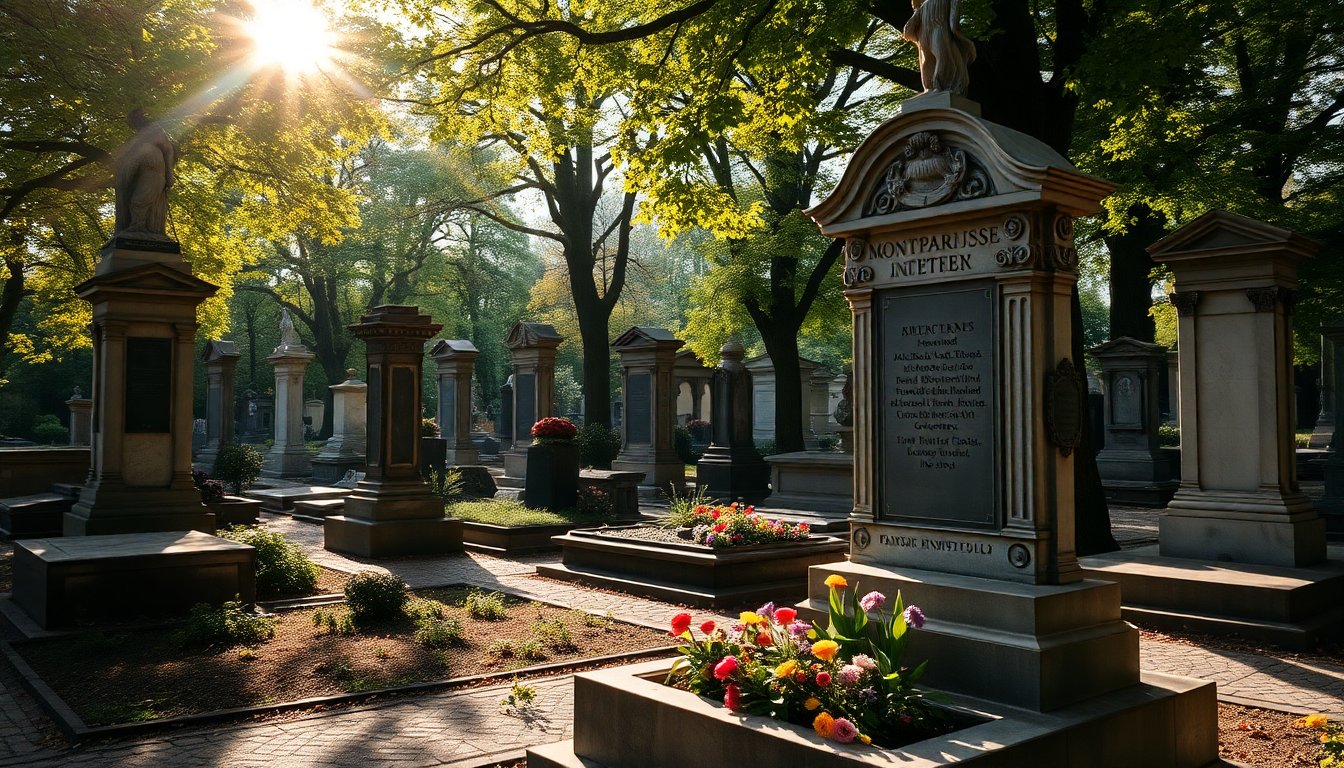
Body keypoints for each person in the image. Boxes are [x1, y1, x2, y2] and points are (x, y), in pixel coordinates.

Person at [113, 108, 177, 236]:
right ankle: (137, 227)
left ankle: (138, 228)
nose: (135, 124)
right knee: (134, 201)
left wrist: (169, 173)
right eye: (133, 122)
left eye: (136, 120)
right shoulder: (138, 138)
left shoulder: (155, 131)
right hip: (140, 173)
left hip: (154, 172)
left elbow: (169, 150)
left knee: (139, 201)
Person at [902, 0, 977, 96]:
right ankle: (929, 88)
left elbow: (954, 20)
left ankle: (940, 86)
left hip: (939, 29)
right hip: (925, 34)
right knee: (928, 60)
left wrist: (957, 36)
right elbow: (908, 31)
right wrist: (916, 9)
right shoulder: (924, 5)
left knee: (942, 56)